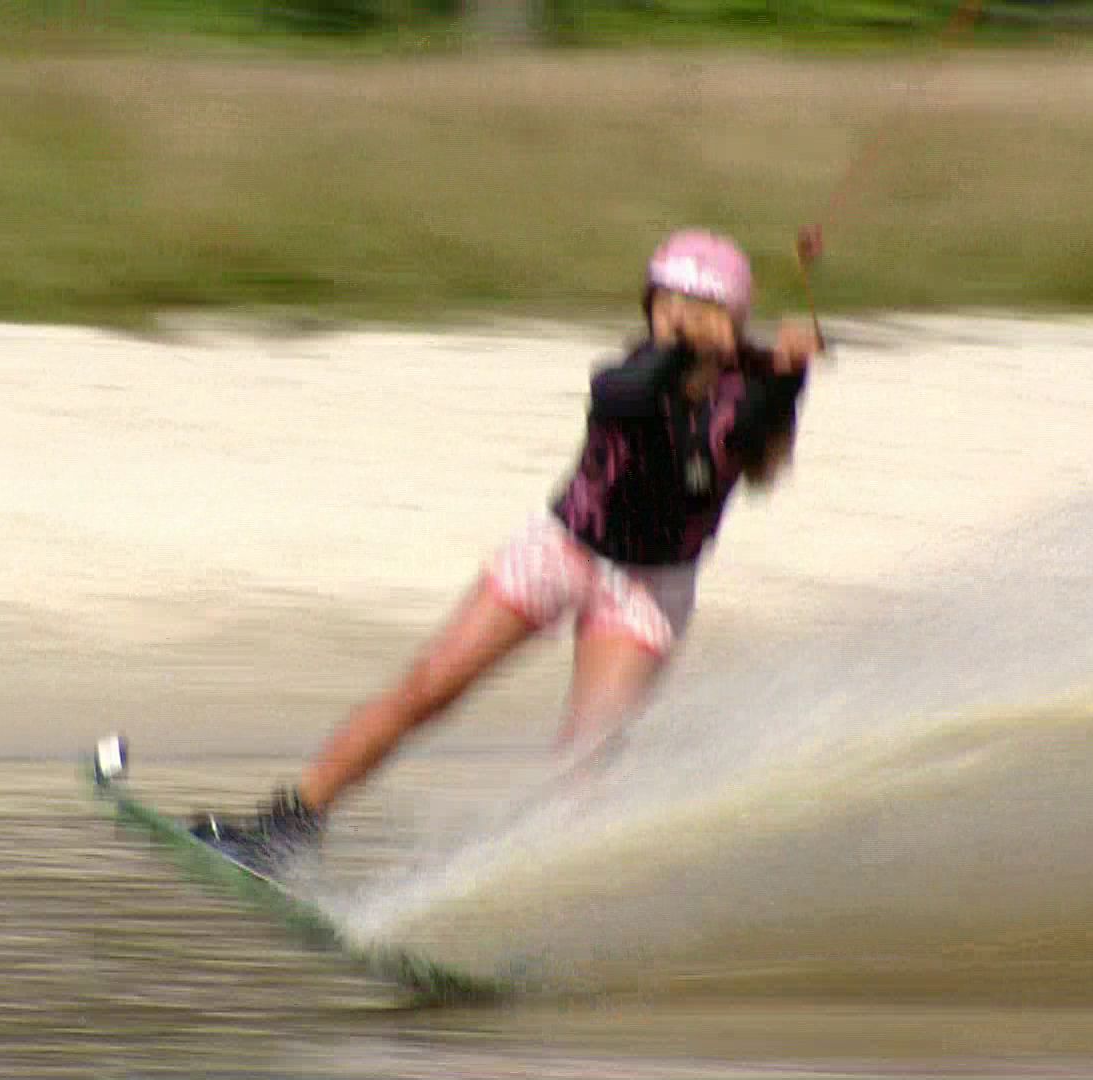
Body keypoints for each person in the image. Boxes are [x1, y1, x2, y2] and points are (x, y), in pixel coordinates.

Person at [191, 229, 824, 872]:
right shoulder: (632, 370)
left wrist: (790, 374)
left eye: (693, 308)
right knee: (429, 686)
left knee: (588, 765)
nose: (673, 318)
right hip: (562, 551)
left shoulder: (751, 392)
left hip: (648, 590)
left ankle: (540, 893)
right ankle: (284, 831)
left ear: (729, 319)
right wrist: (682, 348)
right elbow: (626, 397)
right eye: (663, 304)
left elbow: (743, 439)